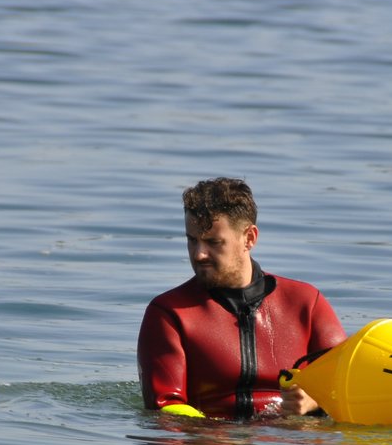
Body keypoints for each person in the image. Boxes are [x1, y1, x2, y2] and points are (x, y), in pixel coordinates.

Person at [138, 178, 346, 420]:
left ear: (249, 238)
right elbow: (166, 408)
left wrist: (315, 401)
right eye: (192, 240)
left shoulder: (306, 303)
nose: (199, 254)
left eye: (214, 242)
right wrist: (215, 440)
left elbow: (349, 385)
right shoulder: (169, 314)